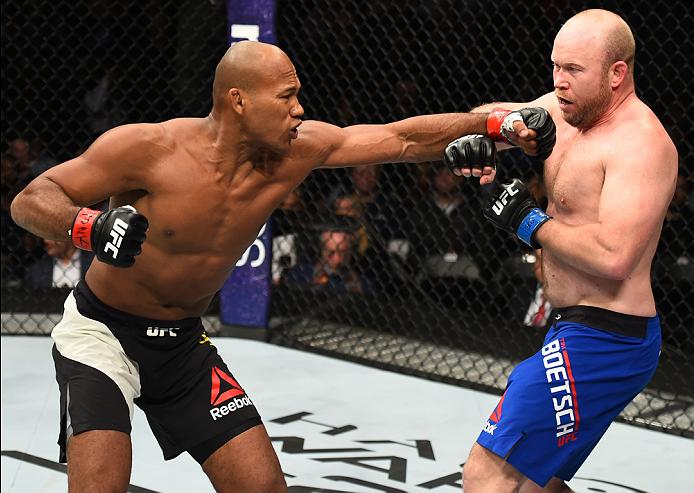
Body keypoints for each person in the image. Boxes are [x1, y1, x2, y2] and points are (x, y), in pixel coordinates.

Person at [10, 40, 552, 493]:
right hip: (103, 333)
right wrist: (89, 228)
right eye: (287, 96)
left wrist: (498, 122)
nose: (299, 109)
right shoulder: (148, 148)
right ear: (239, 101)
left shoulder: (296, 151)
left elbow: (402, 137)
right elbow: (32, 198)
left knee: (264, 488)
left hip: (180, 345)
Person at [444, 9, 678, 493]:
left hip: (607, 338)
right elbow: (487, 115)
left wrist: (526, 221)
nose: (559, 82)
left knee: (487, 475)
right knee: (535, 484)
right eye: (555, 67)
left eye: (573, 71)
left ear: (617, 73)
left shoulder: (641, 145)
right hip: (573, 323)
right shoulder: (564, 111)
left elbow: (615, 257)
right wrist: (490, 132)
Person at [24, 238, 94, 289]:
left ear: (67, 236)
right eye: (44, 236)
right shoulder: (37, 270)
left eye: (51, 236)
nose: (46, 241)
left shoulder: (94, 263)